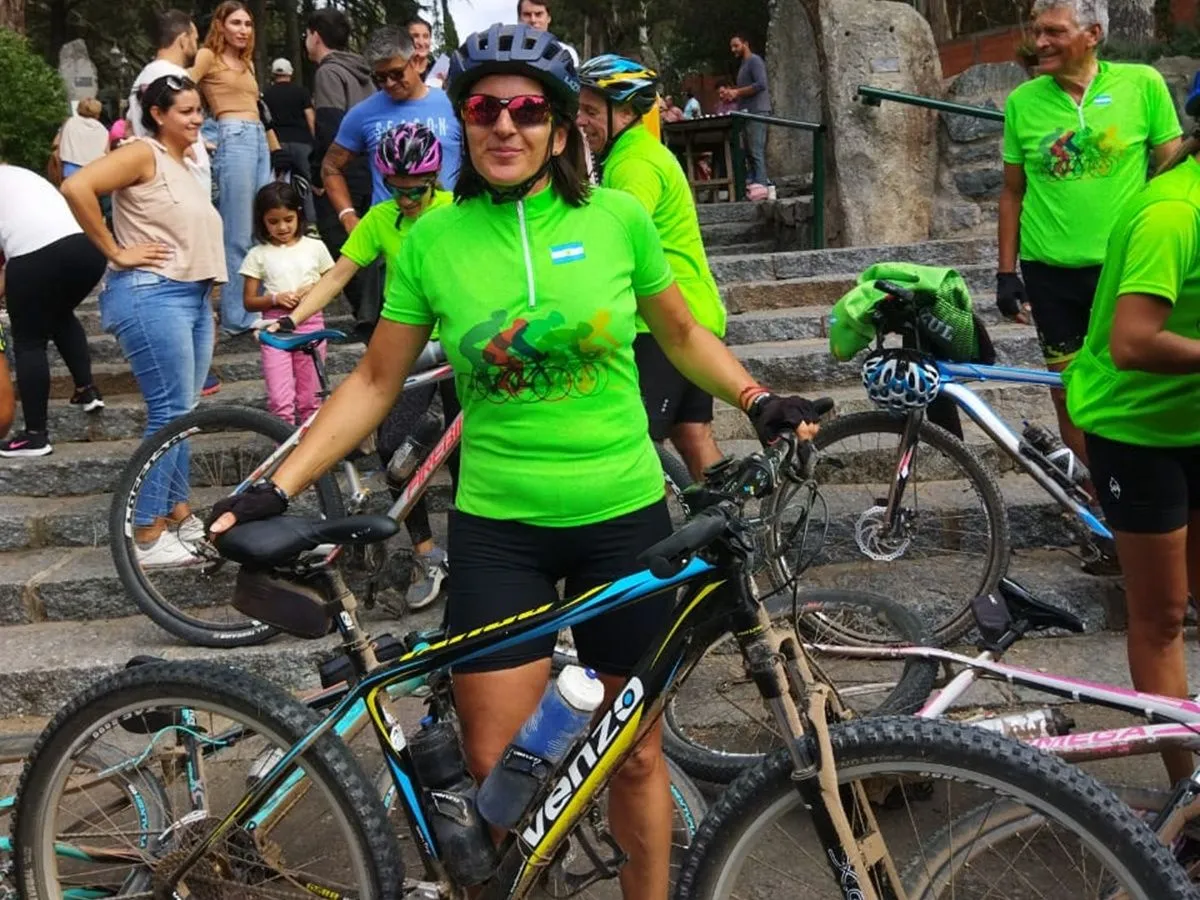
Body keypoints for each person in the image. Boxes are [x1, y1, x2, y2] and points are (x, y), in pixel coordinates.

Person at [207, 25, 826, 900]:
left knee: (635, 757)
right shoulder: (434, 241)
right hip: (500, 531)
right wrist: (275, 483)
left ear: (561, 127)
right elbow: (376, 382)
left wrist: (759, 400)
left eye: (529, 110)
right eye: (486, 109)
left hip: (625, 522)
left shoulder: (617, 220)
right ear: (464, 121)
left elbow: (683, 333)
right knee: (498, 771)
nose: (506, 125)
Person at [1062, 84, 1200, 785]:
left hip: (1193, 418)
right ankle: (1188, 794)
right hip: (1137, 429)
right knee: (1162, 616)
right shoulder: (1172, 214)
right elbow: (1133, 341)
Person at [998, 0, 1181, 505]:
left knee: (1136, 384)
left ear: (1093, 33)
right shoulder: (1023, 102)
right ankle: (1104, 503)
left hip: (1126, 267)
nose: (1040, 42)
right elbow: (1012, 191)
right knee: (1069, 394)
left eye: (1053, 31)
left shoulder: (1142, 84)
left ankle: (1148, 495)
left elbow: (1173, 171)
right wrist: (1005, 273)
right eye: (1037, 31)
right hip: (1049, 272)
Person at [271, 123, 455, 609]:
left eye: (416, 190)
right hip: (409, 344)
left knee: (466, 456)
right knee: (393, 448)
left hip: (458, 343)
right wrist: (293, 317)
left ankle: (473, 555)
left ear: (434, 179)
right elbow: (338, 275)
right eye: (396, 189)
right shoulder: (380, 217)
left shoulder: (456, 209)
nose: (406, 199)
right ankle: (427, 553)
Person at [62, 75, 225, 568]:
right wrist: (115, 250)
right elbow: (76, 186)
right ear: (158, 114)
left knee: (183, 413)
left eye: (199, 110)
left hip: (192, 296)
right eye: (185, 111)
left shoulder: (184, 163)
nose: (197, 119)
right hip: (152, 293)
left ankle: (177, 513)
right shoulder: (142, 152)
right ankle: (148, 532)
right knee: (170, 413)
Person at [577, 54, 728, 480]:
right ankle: (724, 519)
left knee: (638, 449)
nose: (580, 121)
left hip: (660, 323)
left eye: (591, 111)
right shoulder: (640, 152)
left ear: (626, 112)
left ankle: (653, 525)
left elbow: (618, 246)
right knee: (692, 434)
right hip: (694, 309)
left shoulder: (633, 165)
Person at [322, 26, 461, 326]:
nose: (389, 83)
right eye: (380, 77)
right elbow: (330, 167)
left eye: (396, 74)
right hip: (391, 241)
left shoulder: (452, 105)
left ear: (416, 61)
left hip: (449, 235)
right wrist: (349, 217)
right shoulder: (363, 113)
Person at [191, 0, 286, 336]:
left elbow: (258, 108)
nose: (243, 30)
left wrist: (275, 149)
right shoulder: (208, 56)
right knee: (238, 232)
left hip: (258, 138)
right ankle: (236, 316)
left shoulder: (246, 63)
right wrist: (198, 135)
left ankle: (255, 305)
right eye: (236, 23)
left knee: (262, 224)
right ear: (221, 25)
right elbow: (182, 88)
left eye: (247, 24)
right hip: (233, 136)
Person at [0, 165, 106, 457]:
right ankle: (86, 389)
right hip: (87, 249)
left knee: (29, 341)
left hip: (37, 254)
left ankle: (35, 435)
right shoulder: (16, 175)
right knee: (58, 313)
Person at [305, 8, 377, 341]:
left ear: (315, 35)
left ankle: (368, 316)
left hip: (342, 168)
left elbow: (329, 128)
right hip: (369, 166)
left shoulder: (329, 72)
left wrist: (318, 174)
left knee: (340, 238)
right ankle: (374, 311)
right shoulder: (364, 72)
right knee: (367, 239)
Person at [241, 182, 334, 425]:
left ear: (299, 214)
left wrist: (311, 290)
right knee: (279, 400)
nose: (282, 227)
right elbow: (249, 301)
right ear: (262, 221)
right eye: (273, 222)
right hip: (274, 329)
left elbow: (333, 283)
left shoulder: (315, 247)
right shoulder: (258, 254)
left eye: (288, 219)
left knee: (311, 398)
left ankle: (310, 445)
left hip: (311, 324)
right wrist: (275, 299)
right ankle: (283, 444)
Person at [129, 9, 212, 197]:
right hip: (183, 185)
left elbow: (130, 127)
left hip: (166, 183)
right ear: (183, 40)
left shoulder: (143, 77)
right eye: (195, 39)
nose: (196, 47)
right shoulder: (174, 78)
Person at [263, 58, 316, 222]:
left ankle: (281, 219)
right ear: (291, 73)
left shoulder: (266, 94)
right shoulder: (301, 92)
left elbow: (265, 120)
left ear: (273, 74)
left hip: (277, 144)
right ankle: (310, 221)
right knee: (306, 181)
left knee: (279, 185)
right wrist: (316, 140)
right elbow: (310, 117)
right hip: (302, 142)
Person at [720, 33, 771, 191]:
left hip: (757, 111)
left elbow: (761, 84)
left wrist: (737, 92)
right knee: (748, 152)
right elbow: (744, 90)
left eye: (736, 45)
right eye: (731, 47)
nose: (733, 49)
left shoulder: (755, 61)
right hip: (746, 112)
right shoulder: (743, 65)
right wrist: (732, 95)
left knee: (756, 151)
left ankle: (762, 185)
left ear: (745, 44)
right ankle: (754, 186)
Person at [56, 99, 109, 179]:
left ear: (78, 109)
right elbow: (107, 153)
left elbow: (57, 143)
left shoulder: (69, 122)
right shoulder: (103, 130)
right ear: (98, 113)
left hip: (70, 170)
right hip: (95, 171)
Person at [517, 0, 578, 65]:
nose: (533, 20)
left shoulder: (566, 52)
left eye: (538, 14)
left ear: (548, 18)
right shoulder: (509, 50)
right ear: (519, 19)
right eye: (527, 14)